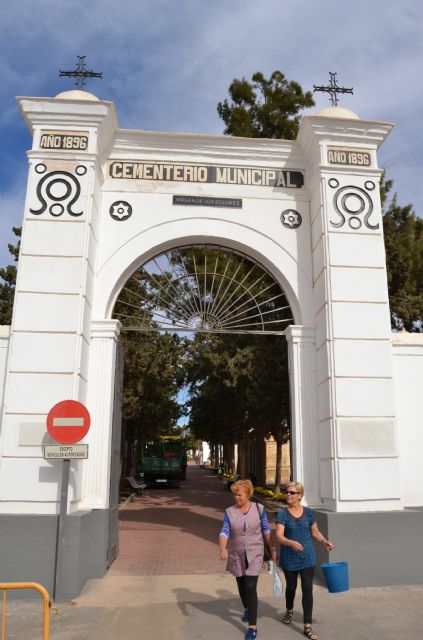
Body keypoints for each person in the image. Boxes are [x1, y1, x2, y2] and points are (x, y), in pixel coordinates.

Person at [219, 479, 277, 640]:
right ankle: (246, 608)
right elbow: (224, 531)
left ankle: (252, 626)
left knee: (250, 587)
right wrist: (222, 548)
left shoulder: (259, 509)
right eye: (235, 495)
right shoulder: (230, 511)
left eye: (239, 495)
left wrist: (272, 548)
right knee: (242, 584)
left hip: (255, 552)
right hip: (236, 553)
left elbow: (266, 530)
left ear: (248, 495)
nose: (236, 497)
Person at [275, 481, 334, 640]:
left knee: (307, 589)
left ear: (300, 496)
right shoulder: (282, 514)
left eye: (292, 493)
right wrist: (290, 543)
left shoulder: (309, 513)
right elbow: (279, 536)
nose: (288, 494)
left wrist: (324, 542)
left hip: (307, 556)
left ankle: (307, 626)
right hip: (289, 556)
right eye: (287, 492)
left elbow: (315, 532)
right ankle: (289, 610)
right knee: (291, 587)